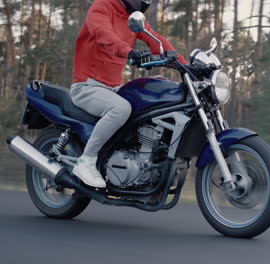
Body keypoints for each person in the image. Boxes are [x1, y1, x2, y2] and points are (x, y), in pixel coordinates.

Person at [70, 0, 187, 188]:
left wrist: (185, 65)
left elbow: (156, 40)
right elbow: (102, 34)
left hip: (113, 87)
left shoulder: (133, 18)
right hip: (87, 85)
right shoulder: (102, 6)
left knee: (146, 107)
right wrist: (129, 51)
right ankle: (86, 160)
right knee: (121, 108)